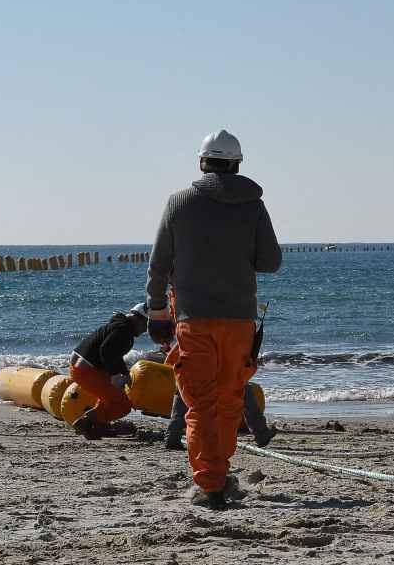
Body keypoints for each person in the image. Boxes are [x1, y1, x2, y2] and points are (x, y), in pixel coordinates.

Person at [146, 129, 282, 509]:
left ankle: (210, 483)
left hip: (193, 320)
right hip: (239, 322)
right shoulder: (254, 206)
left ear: (202, 162)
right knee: (228, 401)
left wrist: (157, 313)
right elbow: (270, 262)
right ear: (237, 165)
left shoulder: (179, 203)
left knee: (200, 404)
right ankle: (218, 474)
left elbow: (158, 265)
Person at [147, 316, 277, 451]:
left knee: (181, 401)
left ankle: (172, 437)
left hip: (188, 372)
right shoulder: (218, 327)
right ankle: (261, 434)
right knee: (245, 391)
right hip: (213, 373)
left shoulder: (191, 326)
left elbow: (171, 360)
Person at [69, 303, 150, 440]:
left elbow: (111, 353)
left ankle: (99, 426)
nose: (145, 330)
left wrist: (122, 372)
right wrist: (118, 374)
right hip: (86, 371)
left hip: (82, 367)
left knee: (108, 399)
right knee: (123, 406)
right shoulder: (123, 331)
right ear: (139, 319)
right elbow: (106, 351)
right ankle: (86, 421)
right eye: (146, 325)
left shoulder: (120, 325)